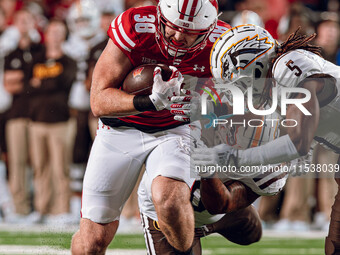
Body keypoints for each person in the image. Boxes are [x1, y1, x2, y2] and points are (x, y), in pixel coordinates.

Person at [70, 0, 231, 254]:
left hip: (176, 129)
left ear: (210, 27)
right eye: (173, 26)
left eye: (190, 31)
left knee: (169, 200)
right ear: (160, 15)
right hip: (121, 129)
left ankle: (192, 238)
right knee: (93, 241)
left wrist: (206, 106)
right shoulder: (136, 26)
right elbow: (98, 100)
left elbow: (239, 100)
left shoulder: (224, 42)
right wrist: (149, 101)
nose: (178, 36)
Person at [192, 24, 340, 255]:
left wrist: (234, 158)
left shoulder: (287, 68)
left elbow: (298, 142)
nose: (242, 94)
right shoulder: (279, 82)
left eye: (239, 84)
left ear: (256, 66)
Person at [27, 19, 77, 222]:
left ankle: (61, 210)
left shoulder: (68, 61)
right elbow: (27, 88)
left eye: (59, 32)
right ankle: (42, 209)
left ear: (63, 35)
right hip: (37, 121)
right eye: (52, 32)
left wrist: (41, 83)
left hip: (60, 122)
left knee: (60, 168)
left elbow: (63, 83)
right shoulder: (36, 59)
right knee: (39, 168)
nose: (55, 36)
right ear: (46, 35)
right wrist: (45, 84)